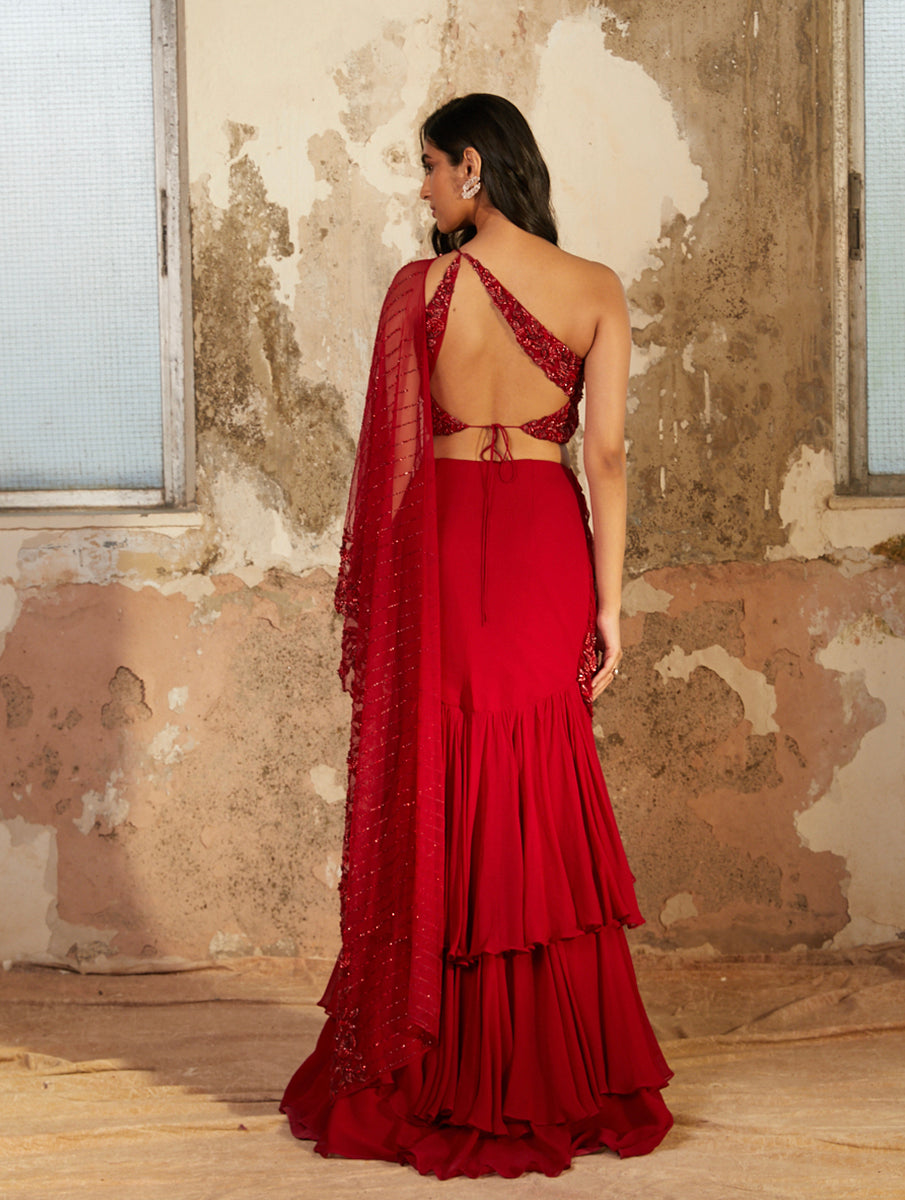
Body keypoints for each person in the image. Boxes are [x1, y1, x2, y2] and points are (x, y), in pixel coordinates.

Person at [281, 93, 673, 1179]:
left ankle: (431, 1057)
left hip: (446, 544)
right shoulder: (594, 288)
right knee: (537, 775)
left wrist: (391, 596)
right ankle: (550, 1063)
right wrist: (608, 605)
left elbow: (394, 465)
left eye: (426, 166)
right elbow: (604, 461)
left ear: (472, 165)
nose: (421, 187)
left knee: (443, 770)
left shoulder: (421, 292)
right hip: (547, 541)